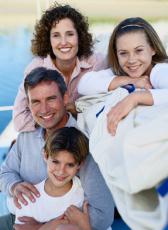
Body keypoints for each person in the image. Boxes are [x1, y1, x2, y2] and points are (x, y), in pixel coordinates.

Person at [0, 67, 114, 230]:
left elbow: (103, 216)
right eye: (36, 102)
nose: (44, 109)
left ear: (65, 97)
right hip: (20, 218)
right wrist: (14, 186)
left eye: (51, 99)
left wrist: (43, 227)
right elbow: (5, 173)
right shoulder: (27, 136)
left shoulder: (84, 142)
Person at [13, 2, 107, 133]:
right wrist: (56, 115)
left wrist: (77, 110)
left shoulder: (97, 63)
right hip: (51, 138)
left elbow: (107, 108)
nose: (63, 42)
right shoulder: (35, 68)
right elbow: (19, 121)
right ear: (48, 39)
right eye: (56, 35)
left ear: (79, 36)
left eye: (70, 34)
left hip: (87, 134)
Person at [77, 17, 168, 135]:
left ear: (153, 49)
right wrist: (132, 81)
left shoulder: (159, 71)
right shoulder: (123, 72)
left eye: (138, 50)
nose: (131, 60)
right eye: (123, 53)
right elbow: (84, 84)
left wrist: (134, 98)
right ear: (116, 54)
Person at [7, 127, 91, 230]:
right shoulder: (27, 199)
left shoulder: (86, 194)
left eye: (70, 165)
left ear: (79, 164)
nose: (61, 171)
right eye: (56, 162)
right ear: (45, 156)